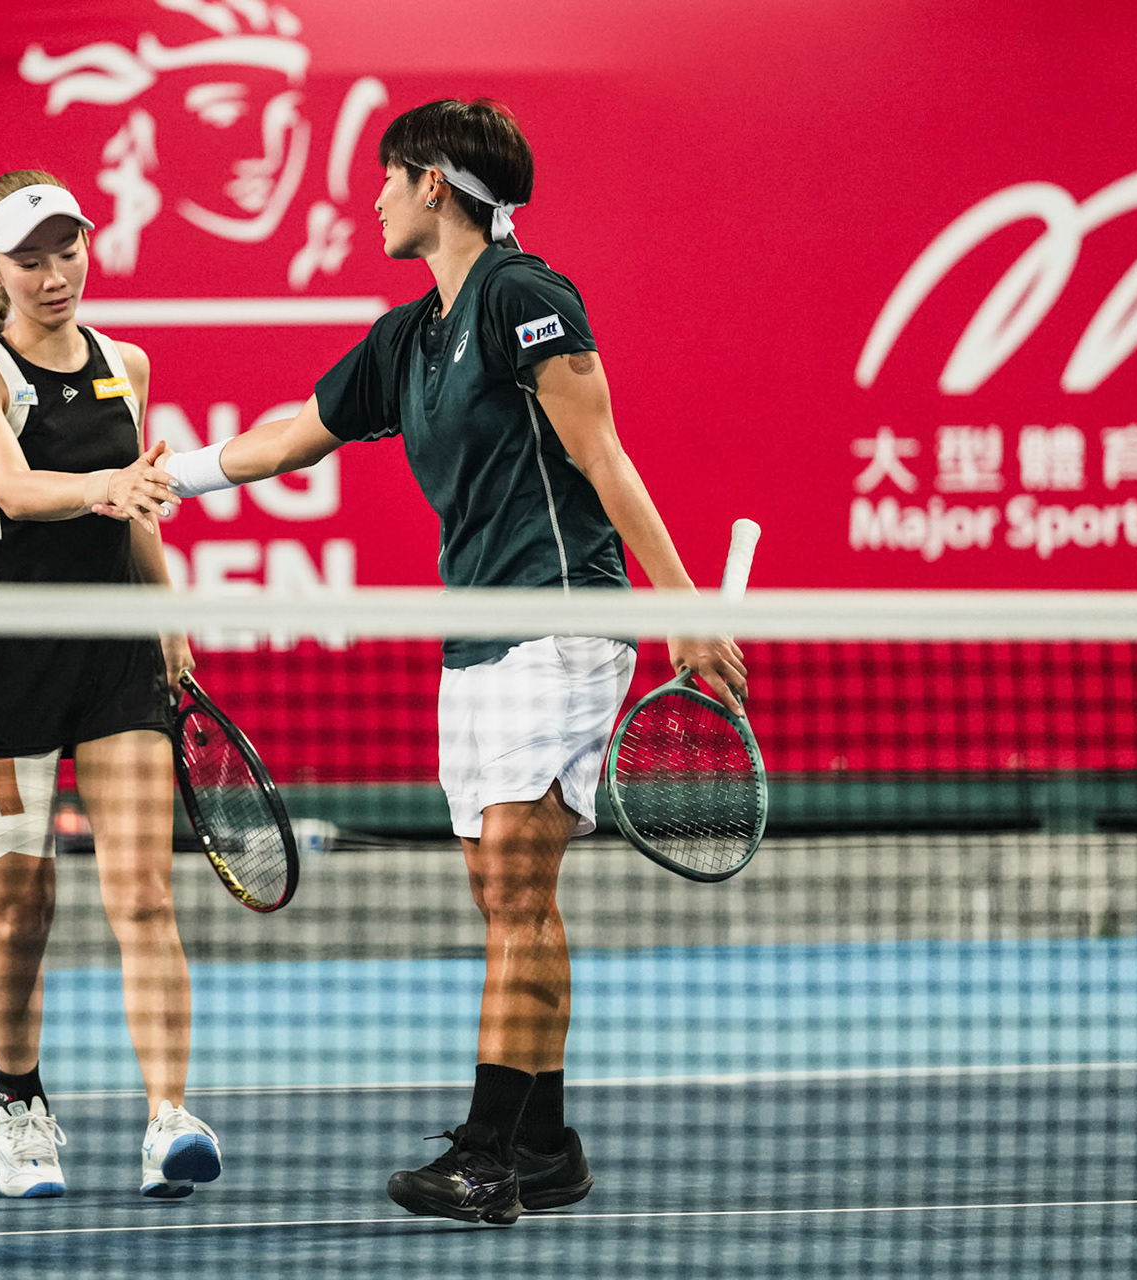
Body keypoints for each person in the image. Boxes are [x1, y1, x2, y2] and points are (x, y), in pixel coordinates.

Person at [161, 100, 748, 1225]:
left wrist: (686, 607)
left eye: (388, 177)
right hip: (476, 640)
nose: (373, 196)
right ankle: (547, 1142)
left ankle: (483, 1154)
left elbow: (603, 453)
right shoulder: (409, 335)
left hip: (560, 621)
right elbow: (294, 432)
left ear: (436, 183)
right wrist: (174, 477)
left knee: (516, 893)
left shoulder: (527, 296)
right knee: (504, 892)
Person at [0, 169, 221, 1201]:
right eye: (29, 258)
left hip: (113, 657)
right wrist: (104, 484)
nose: (54, 275)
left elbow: (139, 509)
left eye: (67, 249)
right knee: (23, 905)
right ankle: (20, 1106)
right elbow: (12, 487)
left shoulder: (127, 362)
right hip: (11, 657)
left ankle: (168, 1115)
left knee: (143, 892)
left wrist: (171, 622)